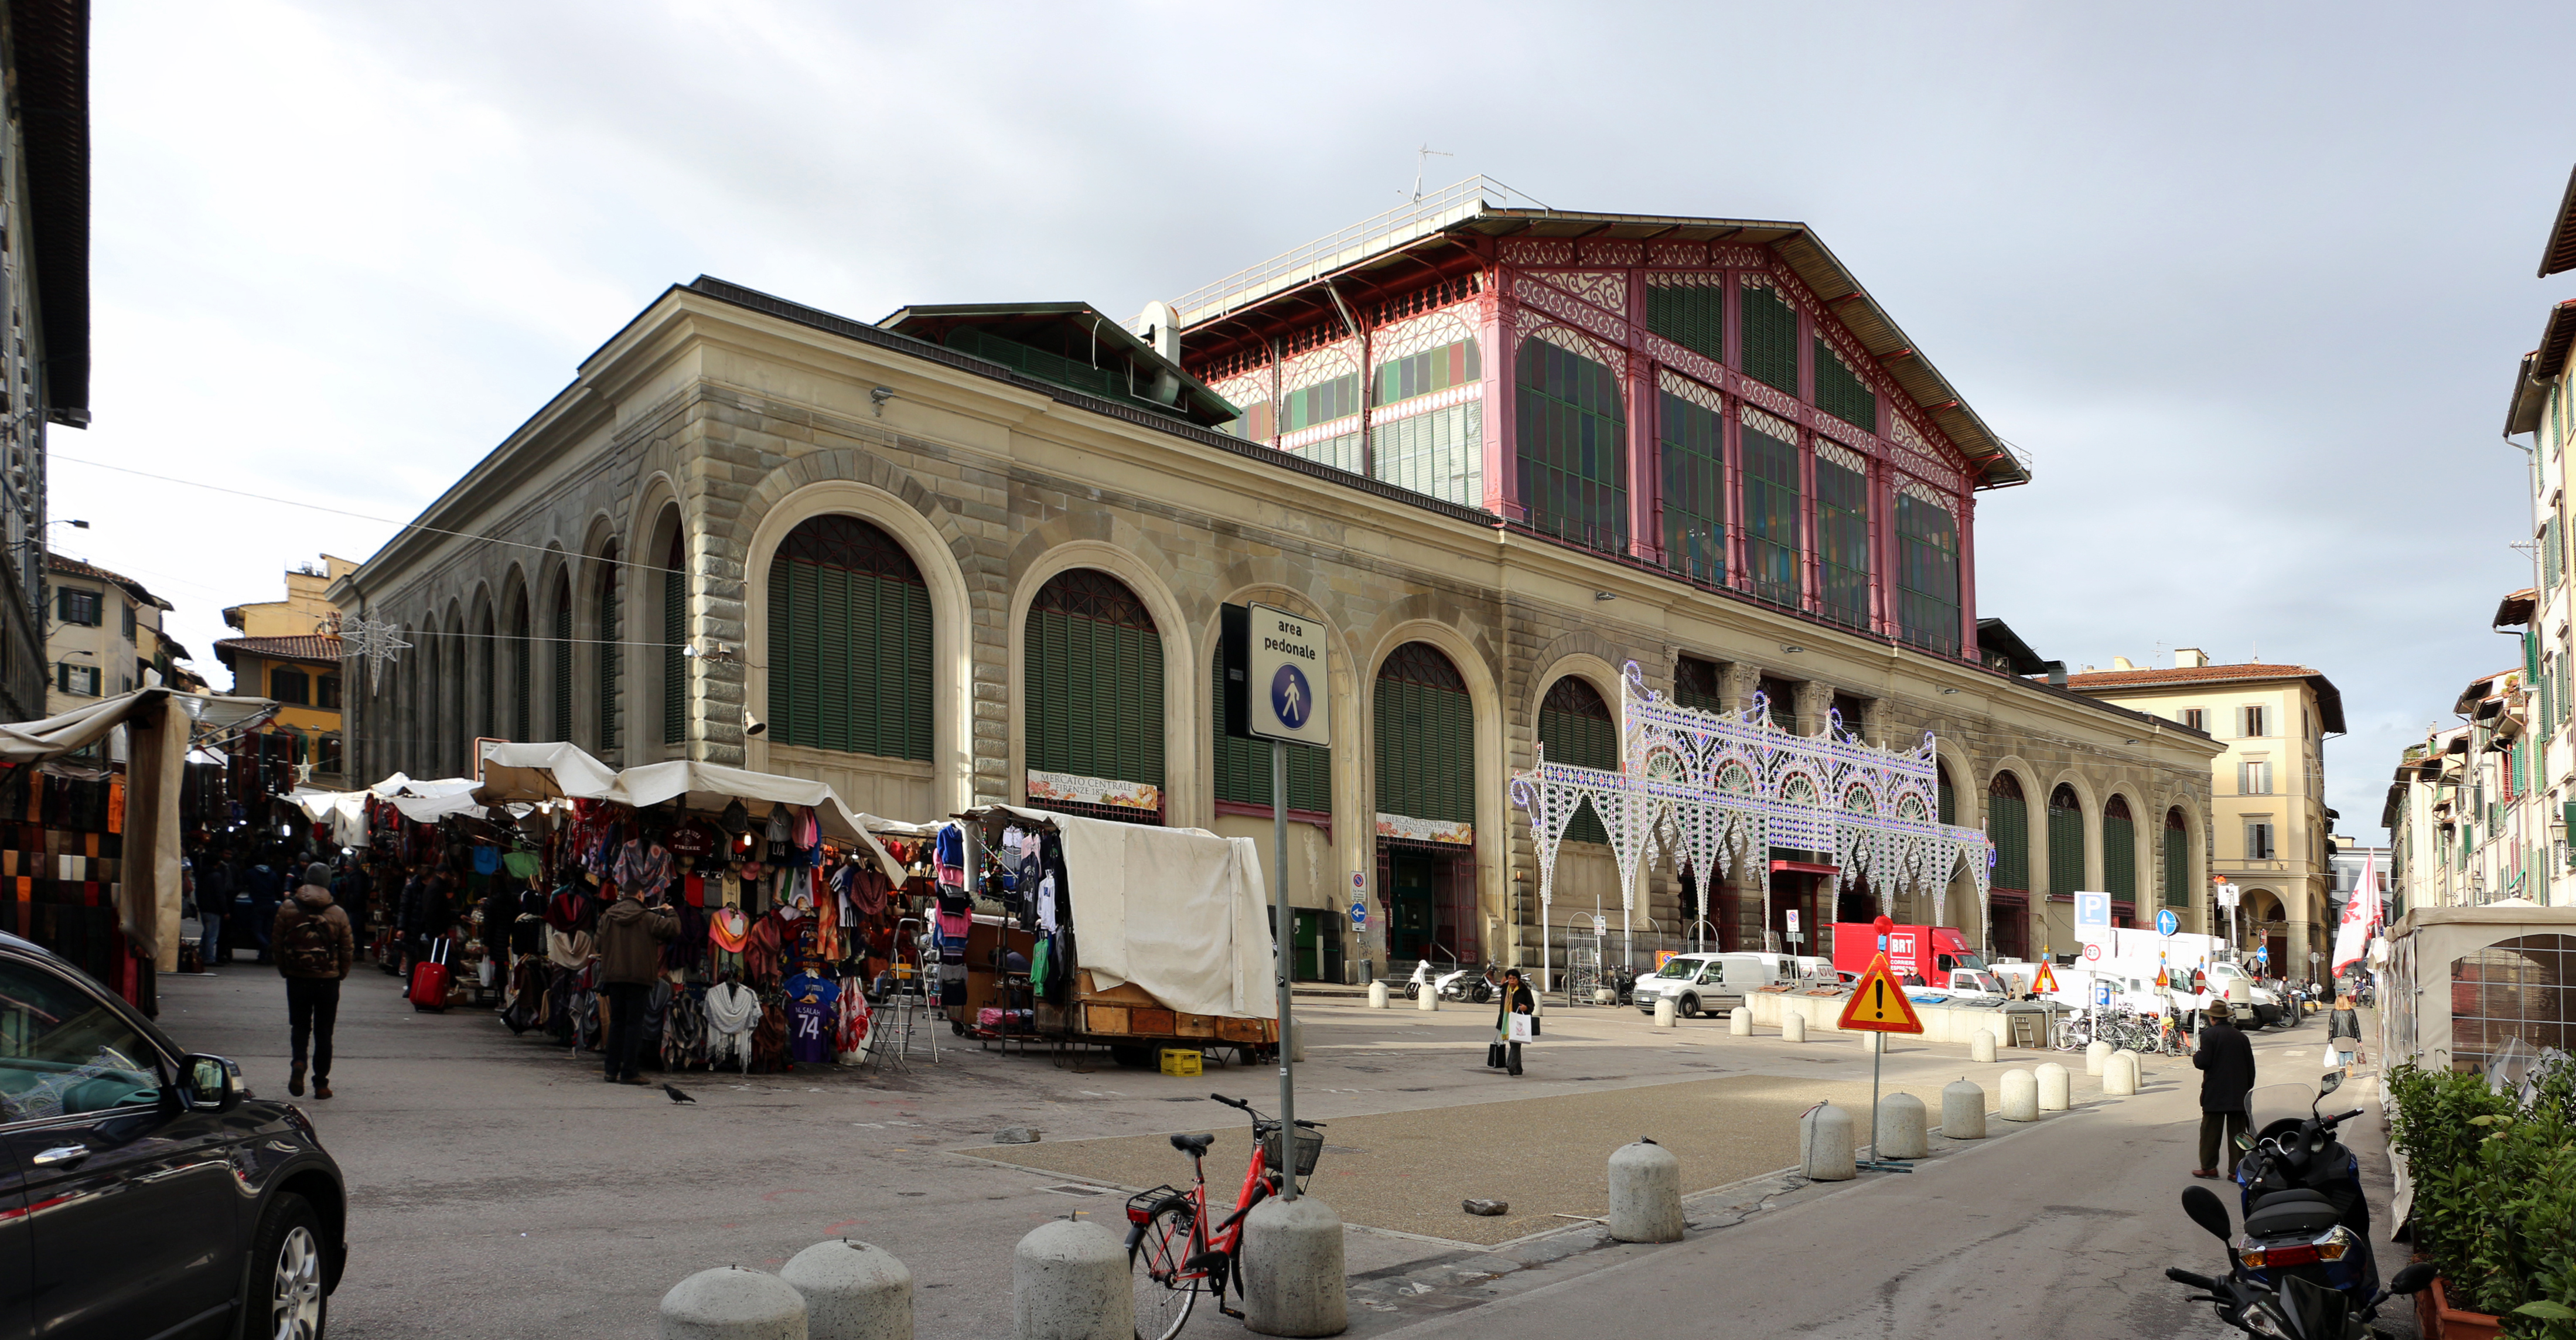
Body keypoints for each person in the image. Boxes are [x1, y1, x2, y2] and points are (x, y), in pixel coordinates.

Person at [273, 861, 355, 1099]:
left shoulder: (288, 908)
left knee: (300, 1027)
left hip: (297, 978)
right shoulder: (337, 913)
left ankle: (299, 1063)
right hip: (327, 981)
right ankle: (321, 1084)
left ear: (306, 880)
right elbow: (347, 948)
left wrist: (285, 970)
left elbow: (277, 943)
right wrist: (341, 973)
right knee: (324, 1032)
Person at [593, 881, 678, 1085]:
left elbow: (597, 944)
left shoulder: (608, 917)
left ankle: (611, 1071)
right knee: (634, 1025)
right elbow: (673, 930)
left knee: (617, 1023)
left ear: (625, 895)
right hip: (640, 978)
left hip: (614, 977)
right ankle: (629, 1072)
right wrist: (671, 911)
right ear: (640, 895)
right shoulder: (649, 918)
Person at [2191, 1000, 2256, 1179]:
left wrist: (2195, 1055)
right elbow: (2251, 1067)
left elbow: (2203, 1062)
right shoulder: (2241, 1037)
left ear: (2212, 1019)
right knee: (2238, 1133)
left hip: (2215, 1092)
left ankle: (2209, 1167)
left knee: (2210, 1132)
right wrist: (2247, 1088)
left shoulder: (2209, 1035)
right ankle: (2237, 1171)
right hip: (2238, 1092)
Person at [1492, 966, 1534, 1076]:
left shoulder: (1524, 991)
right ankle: (1518, 1068)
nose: (1511, 981)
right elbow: (1502, 1008)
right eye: (1510, 978)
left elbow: (1531, 1005)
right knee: (1514, 1044)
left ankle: (1511, 1065)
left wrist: (1526, 1008)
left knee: (1515, 1044)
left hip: (1519, 1021)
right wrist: (1500, 1022)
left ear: (1518, 980)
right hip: (1507, 1020)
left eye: (1514, 979)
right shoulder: (1505, 990)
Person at [2328, 994, 2363, 1068]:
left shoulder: (2334, 1012)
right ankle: (2349, 1062)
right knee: (2349, 1051)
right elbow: (2356, 1026)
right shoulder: (2351, 1011)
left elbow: (2331, 1027)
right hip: (2350, 1035)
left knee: (2341, 1052)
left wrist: (2330, 1040)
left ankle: (2342, 1068)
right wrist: (2359, 1040)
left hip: (2338, 1035)